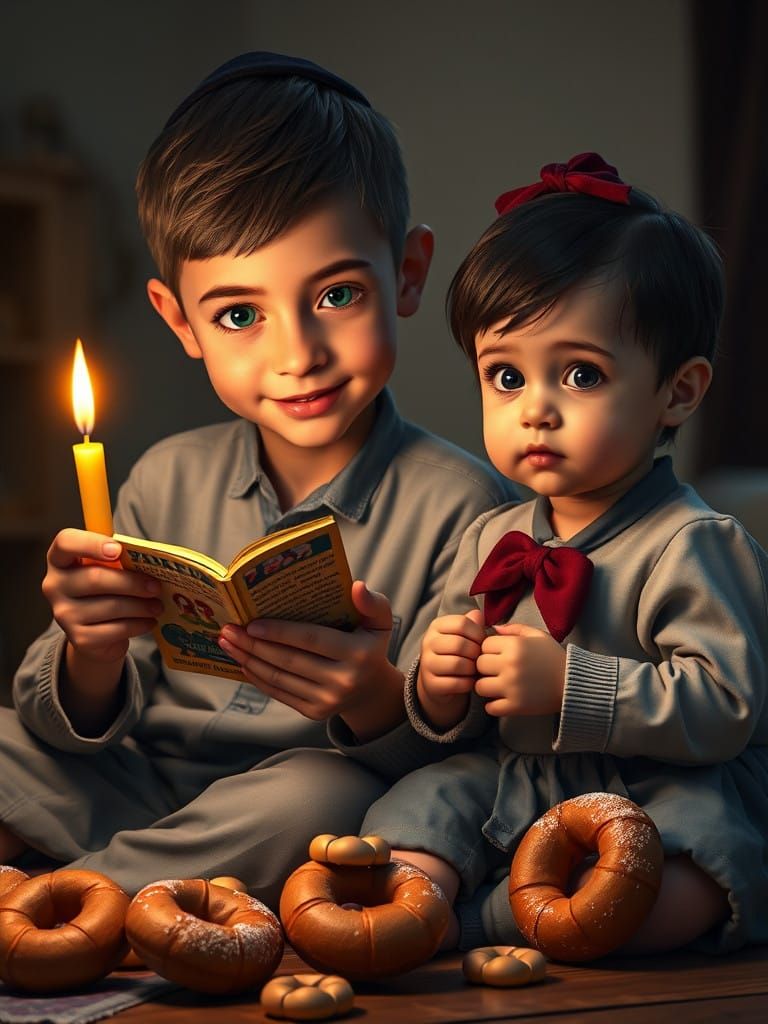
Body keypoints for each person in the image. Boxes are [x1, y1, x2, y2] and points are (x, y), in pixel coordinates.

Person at [0, 53, 515, 905]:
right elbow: (81, 730)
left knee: (325, 798)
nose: (296, 355)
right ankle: (139, 885)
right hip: (139, 788)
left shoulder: (467, 507)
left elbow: (464, 767)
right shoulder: (165, 477)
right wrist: (89, 652)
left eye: (338, 295)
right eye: (240, 314)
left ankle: (64, 899)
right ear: (180, 321)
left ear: (409, 272)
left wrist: (376, 698)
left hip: (293, 807)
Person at [356, 153, 768, 955]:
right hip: (527, 778)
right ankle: (424, 899)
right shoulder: (491, 534)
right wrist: (441, 686)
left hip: (662, 783)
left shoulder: (696, 543)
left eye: (580, 374)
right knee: (422, 804)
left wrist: (570, 683)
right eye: (505, 376)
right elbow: (462, 708)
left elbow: (727, 707)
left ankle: (484, 922)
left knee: (682, 882)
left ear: (677, 392)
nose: (535, 410)